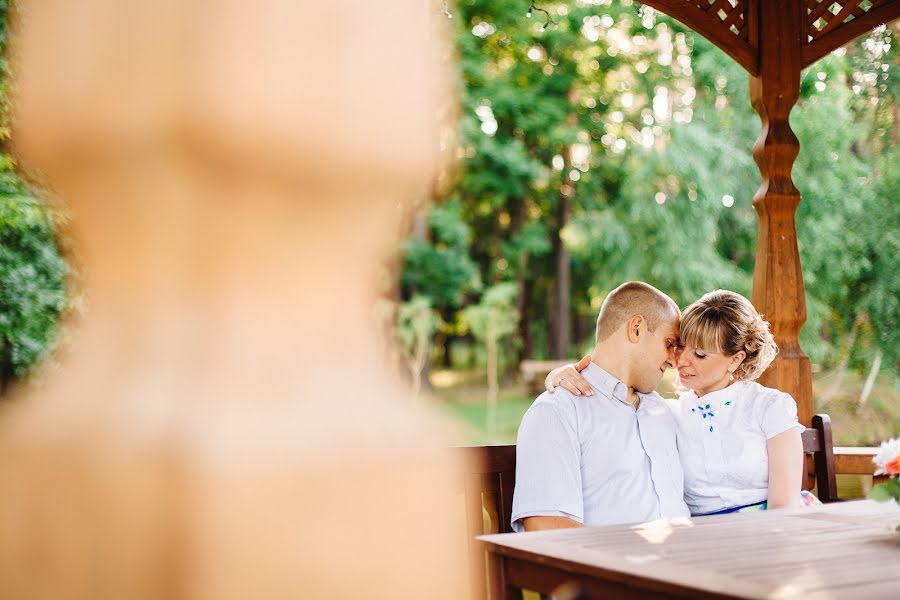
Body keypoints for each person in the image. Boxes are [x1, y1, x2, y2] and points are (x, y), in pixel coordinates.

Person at [546, 290, 807, 516]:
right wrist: (563, 373)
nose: (681, 361)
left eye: (700, 354)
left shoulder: (769, 407)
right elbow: (614, 385)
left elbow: (784, 508)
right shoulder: (666, 413)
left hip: (770, 532)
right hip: (698, 541)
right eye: (680, 346)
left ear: (735, 359)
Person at [511, 281, 691, 532]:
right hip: (619, 567)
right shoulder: (558, 412)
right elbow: (549, 532)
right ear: (637, 328)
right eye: (670, 343)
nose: (674, 360)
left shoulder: (665, 412)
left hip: (688, 559)